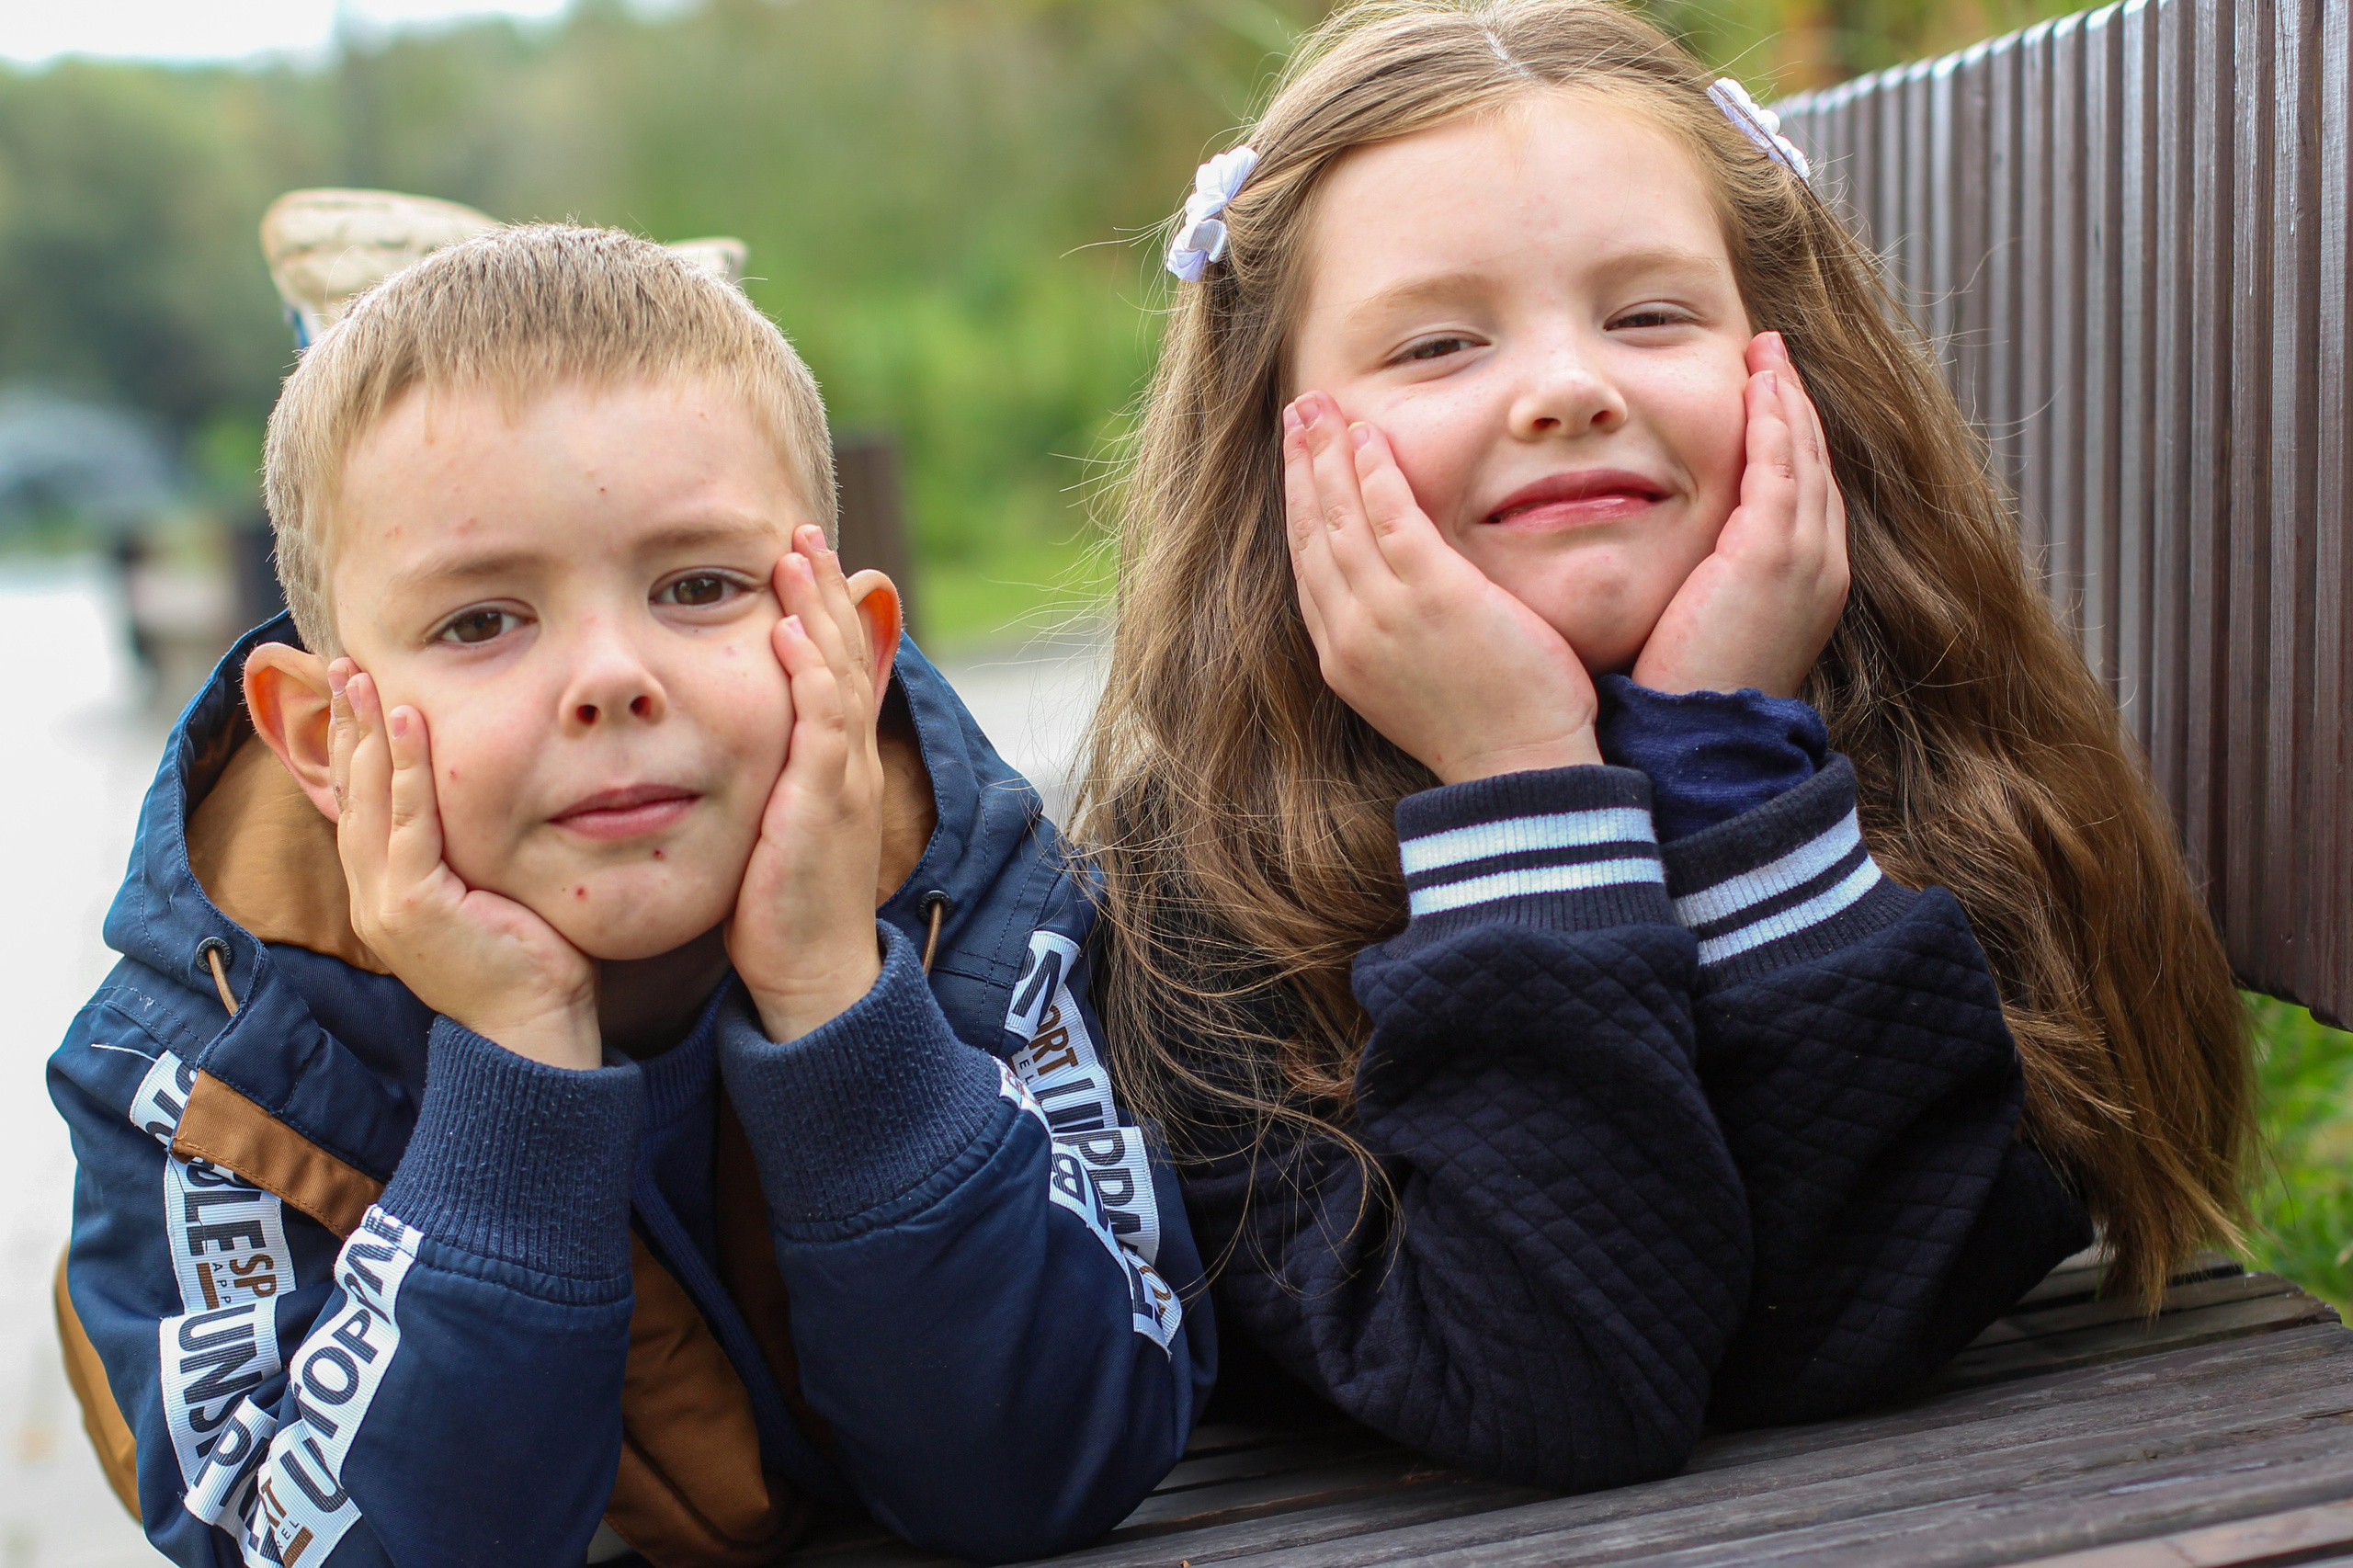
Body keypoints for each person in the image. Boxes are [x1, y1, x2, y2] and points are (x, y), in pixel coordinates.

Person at [1074, 0, 2251, 1496]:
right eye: (1438, 343)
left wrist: (1722, 769)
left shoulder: (1942, 768)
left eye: (1648, 315)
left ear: (1797, 367)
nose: (1572, 386)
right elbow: (1557, 1379)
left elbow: (1862, 1319)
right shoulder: (1209, 889)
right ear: (1272, 440)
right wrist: (1520, 789)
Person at [50, 222, 1210, 1568]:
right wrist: (519, 1062)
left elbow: (1065, 1455)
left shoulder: (973, 893)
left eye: (700, 586)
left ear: (850, 648)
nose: (612, 674)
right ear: (320, 738)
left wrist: (836, 994)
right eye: (482, 619)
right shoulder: (212, 1068)